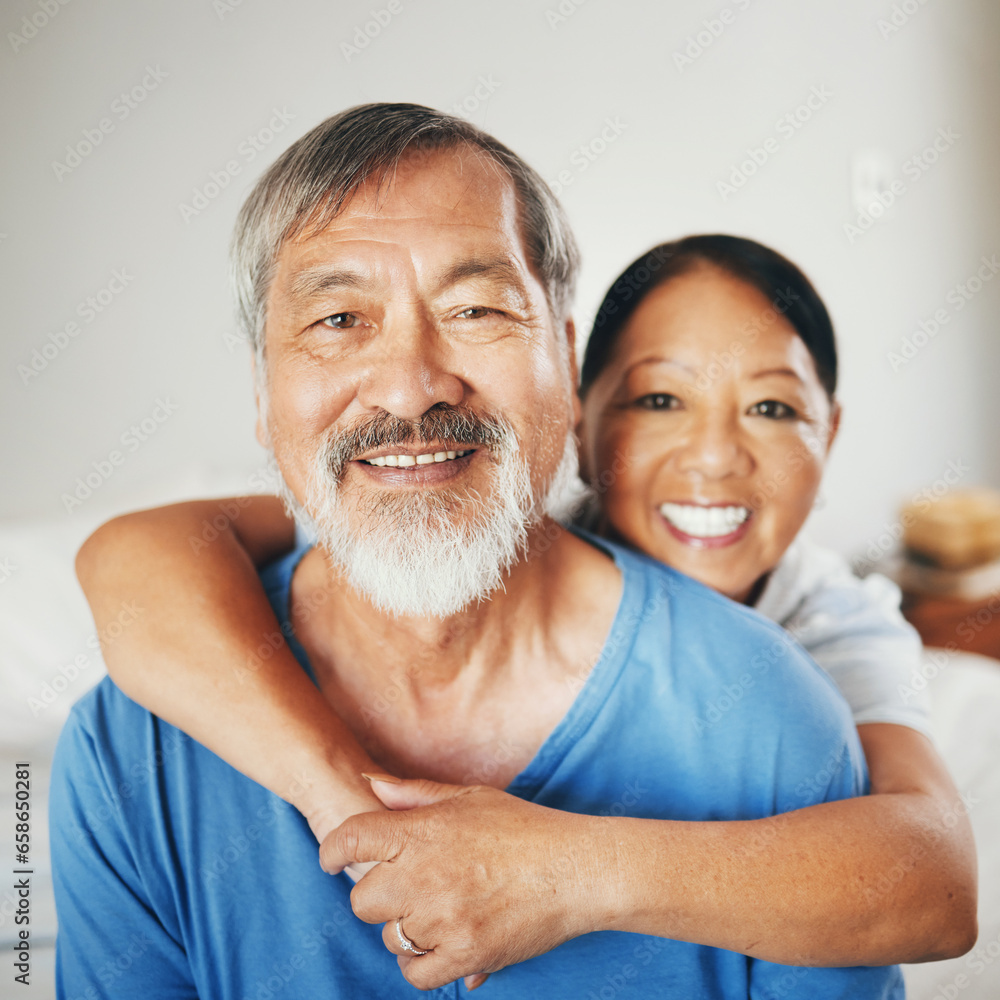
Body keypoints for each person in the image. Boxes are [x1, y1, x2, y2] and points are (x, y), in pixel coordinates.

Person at [52, 102, 912, 998]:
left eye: (475, 309)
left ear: (567, 367)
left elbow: (926, 875)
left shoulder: (775, 717)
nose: (412, 387)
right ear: (263, 397)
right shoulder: (132, 753)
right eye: (339, 320)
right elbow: (131, 555)